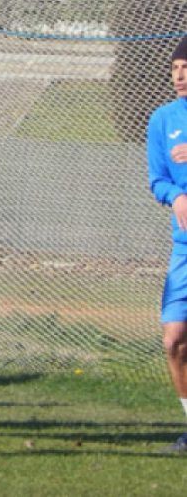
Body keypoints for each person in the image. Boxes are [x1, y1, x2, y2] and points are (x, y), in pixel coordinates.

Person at [145, 37, 187, 454]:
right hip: (184, 249)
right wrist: (175, 195)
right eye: (175, 67)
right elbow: (157, 178)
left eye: (186, 67)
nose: (179, 75)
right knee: (174, 339)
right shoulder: (162, 120)